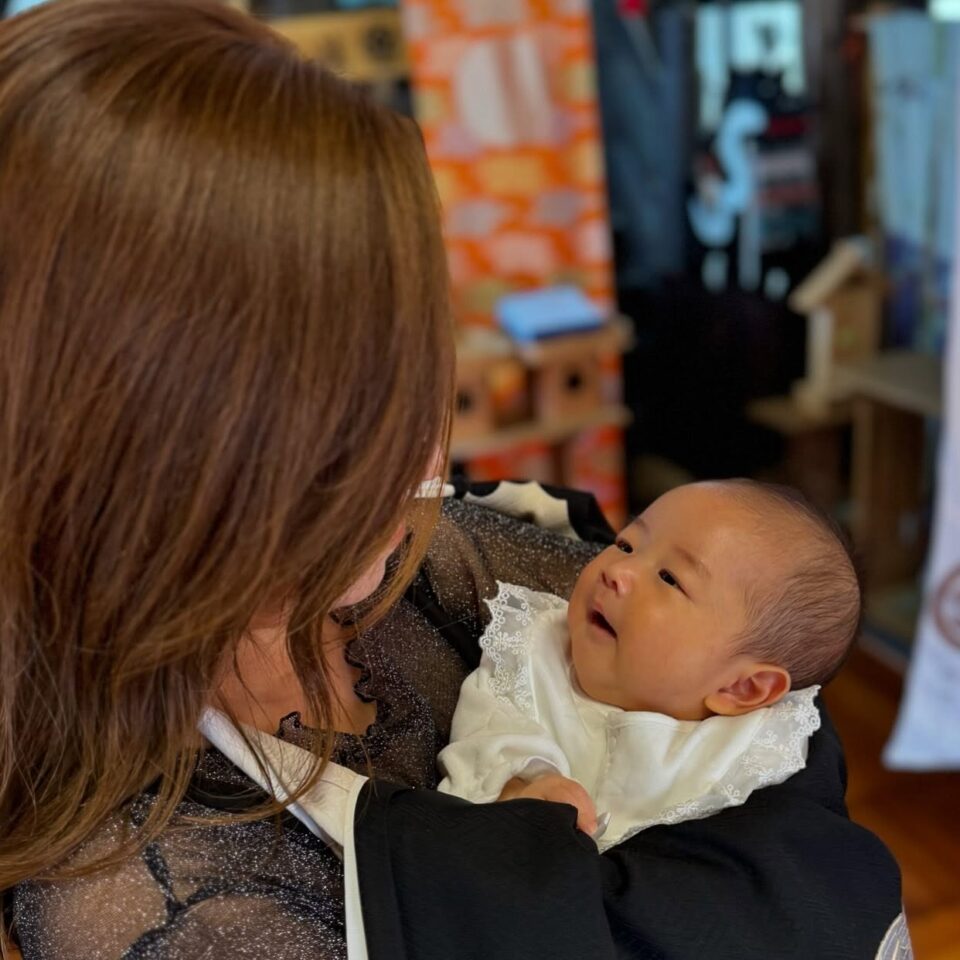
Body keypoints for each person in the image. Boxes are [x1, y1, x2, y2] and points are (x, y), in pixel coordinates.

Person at [0, 2, 909, 959]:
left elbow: (770, 687)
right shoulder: (163, 904)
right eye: (379, 389)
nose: (430, 442)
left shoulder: (445, 549)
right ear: (185, 449)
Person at [438, 480, 857, 844]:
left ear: (741, 688)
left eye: (669, 579)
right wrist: (520, 786)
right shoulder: (533, 648)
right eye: (625, 544)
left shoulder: (753, 749)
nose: (618, 571)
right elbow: (484, 736)